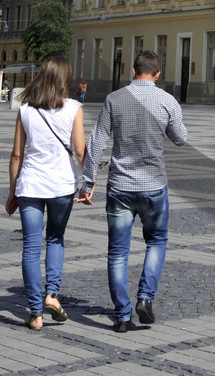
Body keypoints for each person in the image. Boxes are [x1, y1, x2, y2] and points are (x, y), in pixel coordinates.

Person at [82, 49, 186, 332]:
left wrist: (88, 182)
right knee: (156, 242)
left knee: (117, 253)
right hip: (154, 186)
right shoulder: (167, 101)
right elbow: (180, 139)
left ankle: (122, 315)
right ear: (158, 73)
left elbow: (96, 142)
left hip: (120, 188)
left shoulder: (114, 99)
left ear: (133, 71)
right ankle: (145, 297)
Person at [7, 57, 86, 330]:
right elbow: (80, 151)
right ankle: (52, 295)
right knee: (55, 238)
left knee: (30, 248)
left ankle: (35, 313)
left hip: (30, 185)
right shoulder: (74, 108)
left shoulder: (25, 109)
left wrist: (12, 191)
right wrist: (88, 184)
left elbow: (17, 154)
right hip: (61, 186)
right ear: (65, 80)